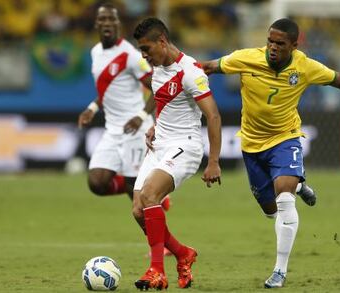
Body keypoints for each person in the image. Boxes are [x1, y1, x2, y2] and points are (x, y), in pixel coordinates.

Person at [201, 18, 340, 289]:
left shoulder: (304, 66)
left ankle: (279, 271)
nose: (273, 47)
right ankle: (300, 184)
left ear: (294, 46)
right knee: (270, 210)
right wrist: (174, 68)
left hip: (286, 138)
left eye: (280, 44)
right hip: (251, 144)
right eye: (270, 41)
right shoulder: (246, 58)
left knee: (284, 201)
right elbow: (208, 67)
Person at [132, 17, 222, 290]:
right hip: (160, 145)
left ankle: (156, 271)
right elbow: (165, 101)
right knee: (138, 211)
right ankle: (183, 254)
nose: (145, 56)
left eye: (147, 49)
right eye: (141, 51)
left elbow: (213, 116)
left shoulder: (191, 71)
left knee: (149, 196)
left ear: (162, 41)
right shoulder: (158, 68)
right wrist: (156, 127)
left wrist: (214, 162)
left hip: (186, 145)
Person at [77, 4, 171, 241]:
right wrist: (93, 107)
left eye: (112, 19)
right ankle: (151, 192)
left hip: (135, 129)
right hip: (112, 130)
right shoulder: (96, 52)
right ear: (97, 24)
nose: (108, 23)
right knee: (97, 183)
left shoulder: (130, 54)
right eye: (103, 19)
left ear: (118, 25)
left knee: (138, 197)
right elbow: (108, 87)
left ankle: (160, 242)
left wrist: (141, 115)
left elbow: (156, 85)